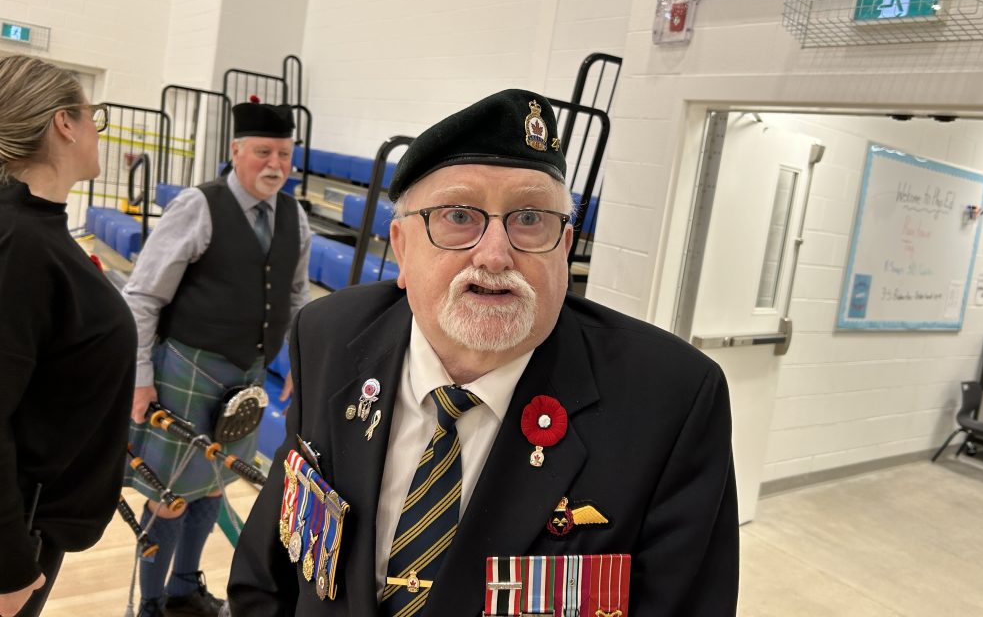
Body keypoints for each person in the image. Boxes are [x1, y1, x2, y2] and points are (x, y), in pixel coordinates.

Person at [228, 89, 739, 616]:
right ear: (401, 247)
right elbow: (269, 570)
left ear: (564, 249)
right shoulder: (329, 335)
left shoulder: (670, 400)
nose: (495, 256)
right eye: (458, 216)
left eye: (530, 220)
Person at [122, 98, 311, 617]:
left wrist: (297, 359)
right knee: (169, 497)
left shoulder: (295, 216)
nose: (275, 164)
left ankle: (184, 593)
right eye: (263, 152)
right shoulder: (197, 205)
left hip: (245, 381)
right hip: (185, 370)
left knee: (210, 491)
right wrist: (139, 378)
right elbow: (142, 296)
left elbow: (295, 299)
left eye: (285, 153)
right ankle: (152, 605)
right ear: (235, 151)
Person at [0, 55, 137, 617]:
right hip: (20, 530)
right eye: (94, 116)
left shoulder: (37, 232)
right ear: (64, 122)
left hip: (37, 521)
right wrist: (8, 565)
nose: (96, 131)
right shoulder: (22, 246)